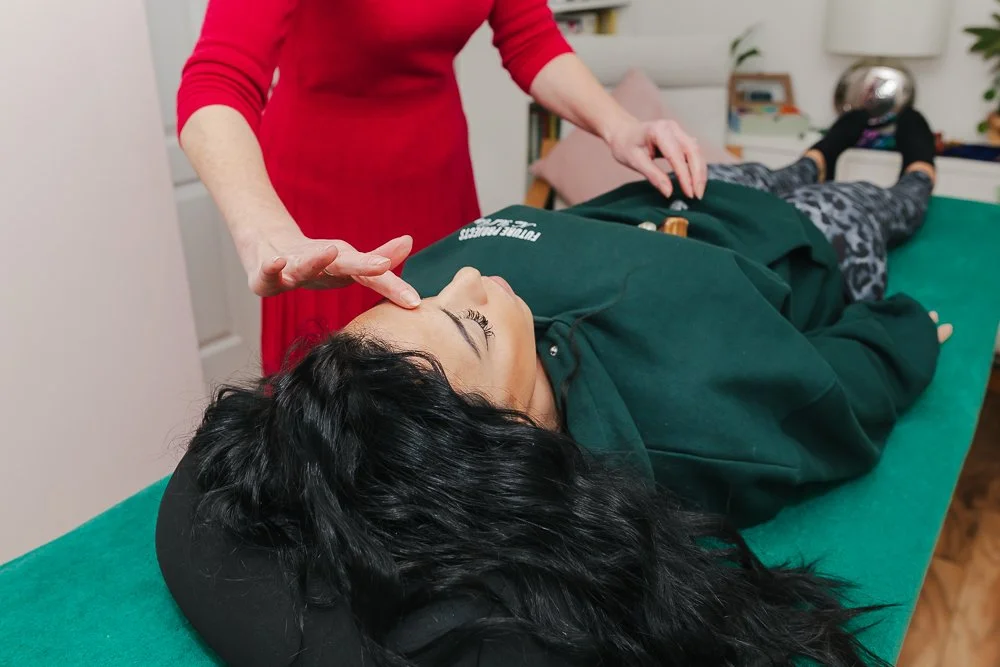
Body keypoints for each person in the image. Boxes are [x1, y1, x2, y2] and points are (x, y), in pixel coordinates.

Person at [155, 108, 949, 666]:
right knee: (874, 203)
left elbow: (225, 461)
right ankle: (910, 156)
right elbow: (838, 395)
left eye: (419, 300)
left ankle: (825, 143)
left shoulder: (404, 362)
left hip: (672, 192)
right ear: (505, 443)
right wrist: (904, 331)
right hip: (795, 242)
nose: (463, 275)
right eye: (470, 323)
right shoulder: (696, 416)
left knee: (787, 163)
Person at [178, 0, 707, 375]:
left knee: (452, 375)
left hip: (438, 177)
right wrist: (266, 232)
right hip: (326, 190)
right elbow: (217, 79)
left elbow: (530, 37)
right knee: (339, 411)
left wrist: (620, 126)